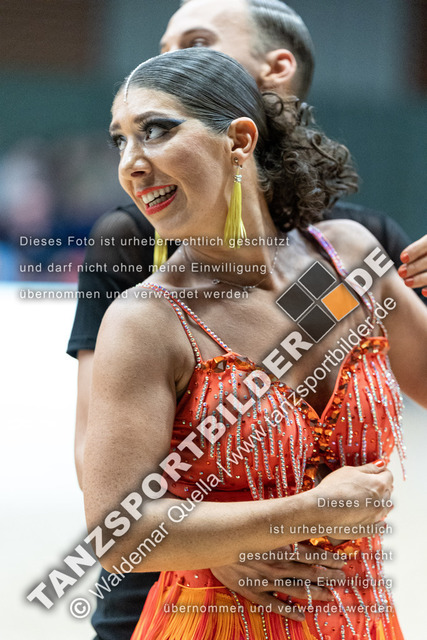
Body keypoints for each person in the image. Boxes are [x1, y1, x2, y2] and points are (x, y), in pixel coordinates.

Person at [69, 1, 427, 637]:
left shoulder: (341, 259)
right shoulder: (149, 317)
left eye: (155, 130)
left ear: (239, 139)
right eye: (119, 141)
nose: (130, 162)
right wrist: (302, 514)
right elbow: (117, 531)